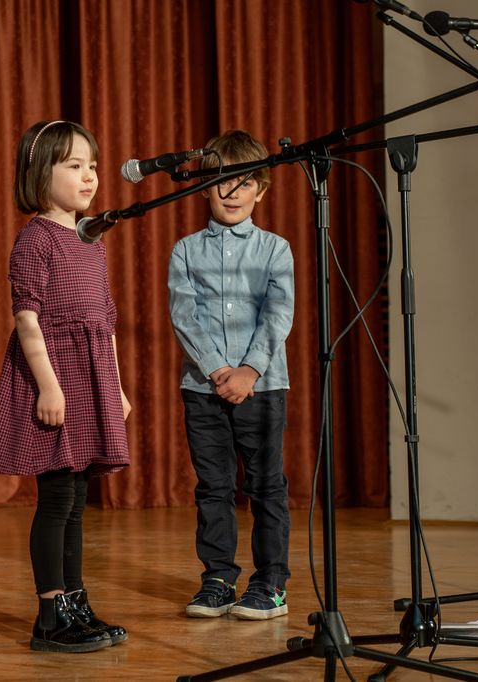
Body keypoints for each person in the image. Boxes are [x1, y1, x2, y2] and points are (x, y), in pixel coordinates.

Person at [0, 120, 131, 652]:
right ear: (40, 174)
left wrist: (115, 387)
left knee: (76, 500)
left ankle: (76, 601)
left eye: (92, 165)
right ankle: (50, 616)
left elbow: (104, 321)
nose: (89, 176)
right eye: (74, 165)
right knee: (55, 500)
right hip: (55, 377)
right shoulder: (36, 239)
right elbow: (27, 320)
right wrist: (49, 387)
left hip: (90, 380)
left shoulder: (91, 240)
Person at [168, 129, 295, 620]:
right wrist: (219, 369)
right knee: (213, 487)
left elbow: (278, 314)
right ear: (205, 187)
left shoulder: (275, 249)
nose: (232, 191)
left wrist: (248, 370)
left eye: (244, 182)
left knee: (266, 486)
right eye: (222, 181)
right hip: (203, 387)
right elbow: (184, 315)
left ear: (261, 190)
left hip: (263, 386)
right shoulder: (185, 250)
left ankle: (271, 584)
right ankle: (218, 579)